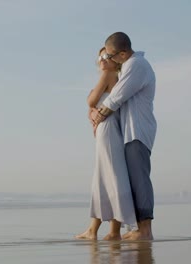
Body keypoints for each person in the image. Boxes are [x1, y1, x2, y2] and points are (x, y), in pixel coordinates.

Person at [90, 32, 157, 240]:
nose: (108, 59)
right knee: (132, 180)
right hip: (128, 131)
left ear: (122, 53)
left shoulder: (137, 65)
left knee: (140, 180)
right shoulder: (129, 66)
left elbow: (117, 97)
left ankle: (145, 230)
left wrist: (98, 116)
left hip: (137, 131)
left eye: (110, 55)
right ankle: (138, 228)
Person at [75, 47, 137, 241]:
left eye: (106, 56)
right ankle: (102, 230)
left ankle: (108, 231)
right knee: (107, 176)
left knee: (110, 176)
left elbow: (92, 100)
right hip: (108, 128)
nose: (102, 59)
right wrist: (92, 109)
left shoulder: (108, 74)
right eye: (100, 56)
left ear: (115, 60)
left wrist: (91, 105)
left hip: (107, 128)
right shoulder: (115, 76)